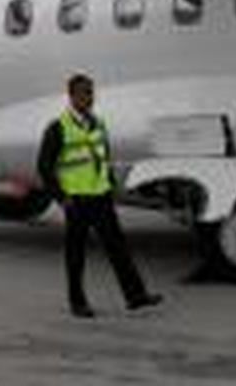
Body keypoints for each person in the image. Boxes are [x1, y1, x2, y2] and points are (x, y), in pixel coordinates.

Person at [37, 74, 162, 318]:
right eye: (84, 93)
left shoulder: (98, 123)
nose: (89, 98)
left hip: (101, 196)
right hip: (77, 200)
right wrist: (62, 198)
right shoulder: (58, 127)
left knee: (118, 248)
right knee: (76, 255)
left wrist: (111, 184)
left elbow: (103, 157)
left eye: (91, 92)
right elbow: (44, 167)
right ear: (71, 96)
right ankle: (77, 302)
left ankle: (135, 296)